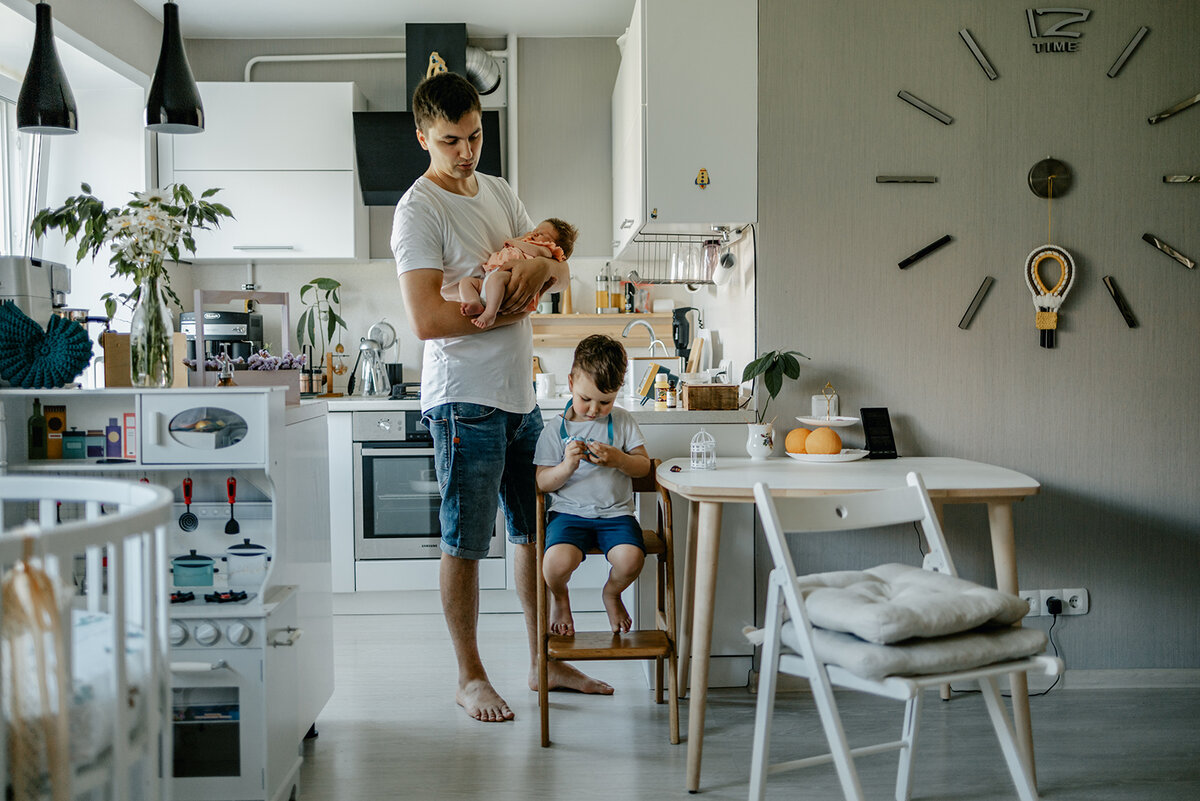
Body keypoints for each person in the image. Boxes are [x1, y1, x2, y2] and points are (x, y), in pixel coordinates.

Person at [391, 72, 610, 723]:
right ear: (423, 134)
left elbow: (555, 261)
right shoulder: (418, 210)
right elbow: (427, 319)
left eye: (476, 135)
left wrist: (537, 270)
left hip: (519, 398)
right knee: (464, 541)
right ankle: (470, 676)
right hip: (464, 402)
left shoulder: (499, 190)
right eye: (452, 140)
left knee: (529, 531)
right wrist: (507, 307)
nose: (467, 152)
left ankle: (542, 658)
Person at [534, 335, 652, 637]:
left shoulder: (623, 422)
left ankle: (612, 593)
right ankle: (560, 598)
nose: (594, 409)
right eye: (586, 398)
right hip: (569, 515)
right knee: (555, 565)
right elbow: (542, 481)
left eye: (605, 402)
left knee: (631, 559)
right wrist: (565, 467)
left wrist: (619, 460)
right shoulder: (555, 429)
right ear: (571, 382)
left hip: (616, 516)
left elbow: (643, 466)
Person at [454, 217, 578, 329]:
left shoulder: (545, 251)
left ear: (553, 245)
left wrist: (514, 242)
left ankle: (490, 314)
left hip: (509, 278)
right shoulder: (526, 240)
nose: (535, 233)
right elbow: (512, 242)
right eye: (536, 229)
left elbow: (539, 253)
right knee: (466, 282)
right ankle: (473, 302)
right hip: (490, 280)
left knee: (496, 279)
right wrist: (522, 238)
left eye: (542, 234)